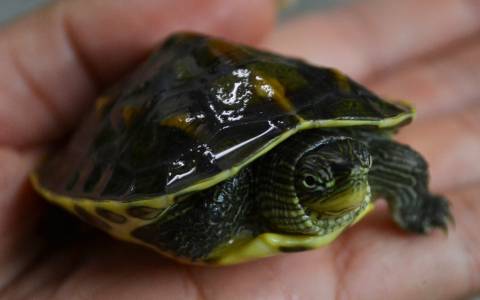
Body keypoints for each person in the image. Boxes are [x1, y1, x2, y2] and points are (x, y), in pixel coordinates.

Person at [0, 0, 479, 299]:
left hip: (284, 103)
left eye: (361, 165)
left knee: (375, 161)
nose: (356, 177)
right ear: (291, 189)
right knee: (207, 210)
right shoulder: (224, 208)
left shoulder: (357, 164)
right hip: (167, 121)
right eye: (321, 180)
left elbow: (396, 163)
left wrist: (416, 201)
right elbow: (190, 216)